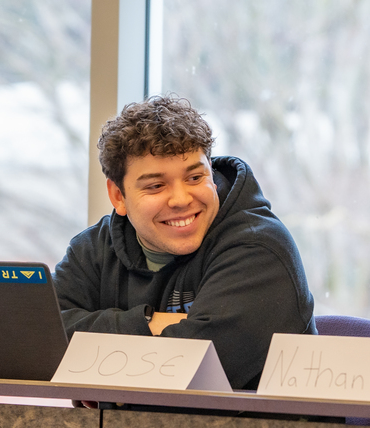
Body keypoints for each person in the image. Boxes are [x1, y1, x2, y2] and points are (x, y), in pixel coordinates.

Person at [53, 95, 316, 390]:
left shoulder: (260, 249)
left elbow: (195, 371)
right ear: (118, 196)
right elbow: (38, 337)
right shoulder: (91, 250)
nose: (181, 199)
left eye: (194, 177)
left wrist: (92, 370)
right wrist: (151, 322)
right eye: (156, 185)